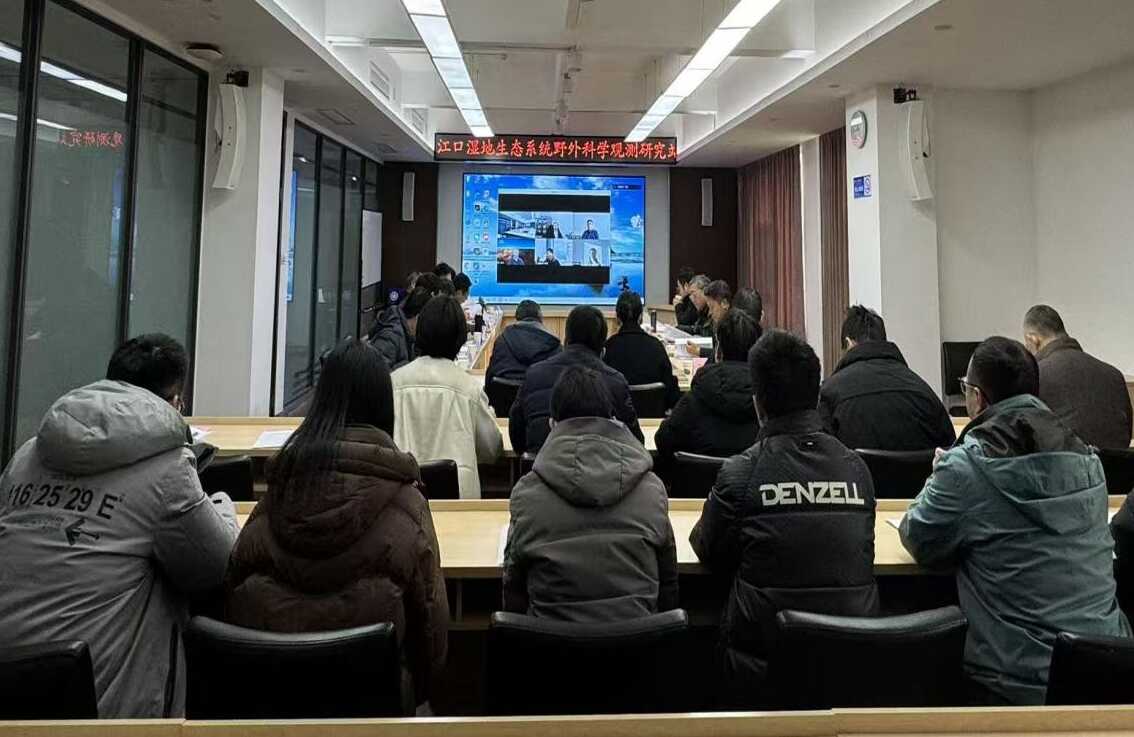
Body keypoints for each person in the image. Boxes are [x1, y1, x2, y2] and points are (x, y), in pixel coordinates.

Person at [0, 334, 238, 717]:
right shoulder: (168, 467)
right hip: (100, 703)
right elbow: (215, 567)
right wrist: (222, 506)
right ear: (175, 400)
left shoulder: (27, 454)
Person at [900, 337, 1129, 705]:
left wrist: (939, 477)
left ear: (977, 398)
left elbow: (919, 537)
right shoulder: (1088, 461)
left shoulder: (966, 468)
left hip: (1013, 680)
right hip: (1108, 669)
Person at [226, 340, 448, 711]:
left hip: (271, 708)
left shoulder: (273, 498)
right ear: (384, 407)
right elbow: (432, 645)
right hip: (375, 712)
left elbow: (231, 599)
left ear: (320, 402)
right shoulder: (408, 507)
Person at [690, 330, 878, 707]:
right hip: (850, 663)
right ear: (816, 396)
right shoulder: (856, 469)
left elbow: (707, 548)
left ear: (758, 404)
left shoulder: (741, 473)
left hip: (761, 671)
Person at [503, 366, 678, 621]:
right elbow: (668, 584)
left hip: (551, 640)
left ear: (552, 425)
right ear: (613, 420)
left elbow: (513, 589)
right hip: (637, 639)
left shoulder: (526, 495)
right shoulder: (652, 491)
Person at [393, 296, 503, 498]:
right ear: (460, 337)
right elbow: (491, 450)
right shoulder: (469, 388)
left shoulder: (394, 383)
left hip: (403, 497)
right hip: (458, 500)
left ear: (419, 331)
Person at [510, 305, 644, 454]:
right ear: (603, 350)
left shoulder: (534, 375)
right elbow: (636, 443)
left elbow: (516, 438)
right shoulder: (616, 382)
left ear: (565, 340)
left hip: (541, 463)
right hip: (601, 466)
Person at [819, 305, 955, 451]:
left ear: (848, 343)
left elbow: (820, 454)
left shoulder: (829, 394)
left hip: (855, 466)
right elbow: (951, 451)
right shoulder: (924, 392)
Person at [656, 310, 762, 474]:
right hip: (752, 488)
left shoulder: (696, 396)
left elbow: (663, 440)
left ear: (718, 352)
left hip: (695, 486)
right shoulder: (769, 404)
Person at [1023, 305, 1132, 449]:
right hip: (1117, 462)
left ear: (1033, 339)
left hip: (1064, 463)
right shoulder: (1114, 375)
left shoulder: (1035, 376)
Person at [603, 290, 679, 408]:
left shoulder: (607, 348)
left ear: (617, 318)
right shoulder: (656, 346)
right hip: (655, 415)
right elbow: (672, 395)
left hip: (618, 417)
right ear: (641, 317)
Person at [485, 300, 561, 386]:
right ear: (540, 317)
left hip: (502, 393)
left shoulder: (502, 340)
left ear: (517, 316)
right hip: (537, 393)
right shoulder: (554, 345)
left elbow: (491, 374)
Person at [369, 286, 431, 370]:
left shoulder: (408, 334)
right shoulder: (390, 337)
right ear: (418, 317)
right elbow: (374, 372)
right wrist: (406, 367)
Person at [685, 279, 731, 355]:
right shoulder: (718, 321)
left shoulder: (733, 325)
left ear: (724, 303)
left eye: (712, 307)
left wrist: (700, 351)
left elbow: (723, 355)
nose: (711, 313)